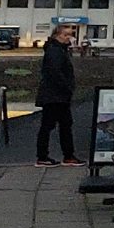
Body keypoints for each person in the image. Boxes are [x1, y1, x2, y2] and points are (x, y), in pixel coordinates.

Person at [36, 24, 81, 166]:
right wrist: (67, 87)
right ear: (57, 35)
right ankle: (45, 157)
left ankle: (66, 155)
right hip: (55, 95)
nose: (69, 38)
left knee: (62, 125)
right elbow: (55, 72)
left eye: (70, 35)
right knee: (53, 125)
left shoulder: (57, 49)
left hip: (56, 95)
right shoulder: (55, 51)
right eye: (65, 35)